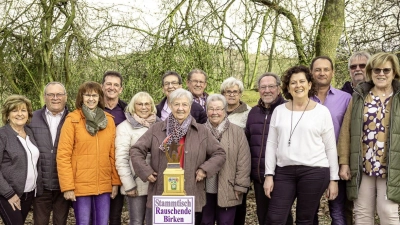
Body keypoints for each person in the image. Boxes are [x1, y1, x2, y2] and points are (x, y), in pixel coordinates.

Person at [131, 88, 226, 225]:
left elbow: (220, 153)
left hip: (189, 193)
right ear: (170, 105)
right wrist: (146, 171)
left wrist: (204, 169)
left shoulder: (201, 131)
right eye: (176, 104)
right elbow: (136, 150)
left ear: (190, 106)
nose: (180, 108)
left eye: (184, 104)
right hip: (162, 193)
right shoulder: (156, 129)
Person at [263, 65, 339, 224]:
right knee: (274, 218)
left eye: (302, 81)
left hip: (315, 171)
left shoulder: (322, 112)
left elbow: (330, 147)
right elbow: (271, 145)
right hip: (284, 171)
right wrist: (269, 175)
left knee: (305, 219)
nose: (298, 86)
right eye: (293, 83)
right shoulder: (279, 111)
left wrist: (334, 180)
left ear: (310, 84)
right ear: (287, 88)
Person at [338, 52, 400, 224]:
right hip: (362, 165)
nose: (381, 74)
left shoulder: (398, 96)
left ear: (394, 72)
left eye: (386, 70)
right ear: (370, 72)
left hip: (391, 166)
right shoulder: (360, 96)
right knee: (362, 213)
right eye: (376, 70)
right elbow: (346, 130)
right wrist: (344, 162)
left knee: (388, 211)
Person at [57, 81, 121, 225]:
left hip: (103, 184)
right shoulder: (72, 120)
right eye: (87, 95)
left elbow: (113, 154)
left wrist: (115, 182)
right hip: (80, 185)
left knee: (102, 223)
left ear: (100, 98)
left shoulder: (109, 121)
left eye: (94, 95)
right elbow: (63, 155)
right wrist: (67, 187)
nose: (91, 98)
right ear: (81, 97)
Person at [245, 72, 293, 225]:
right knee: (263, 217)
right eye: (263, 87)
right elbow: (248, 142)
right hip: (259, 176)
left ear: (279, 89)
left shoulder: (288, 110)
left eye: (271, 86)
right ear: (258, 90)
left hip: (282, 176)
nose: (267, 90)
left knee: (281, 218)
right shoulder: (253, 113)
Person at [310, 56, 351, 225]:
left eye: (326, 69)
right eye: (318, 69)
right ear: (311, 72)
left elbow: (349, 132)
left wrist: (345, 162)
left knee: (337, 209)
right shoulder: (302, 99)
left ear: (333, 72)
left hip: (336, 161)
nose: (322, 73)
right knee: (310, 210)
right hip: (310, 163)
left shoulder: (346, 98)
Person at [200, 94, 250, 225]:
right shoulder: (199, 131)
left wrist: (240, 185)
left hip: (229, 185)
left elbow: (244, 160)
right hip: (204, 186)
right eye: (211, 109)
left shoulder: (237, 132)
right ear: (206, 110)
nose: (215, 112)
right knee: (206, 221)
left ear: (225, 110)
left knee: (226, 222)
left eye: (218, 109)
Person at [115, 92, 160, 225]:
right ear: (133, 107)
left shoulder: (160, 125)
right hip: (137, 183)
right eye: (140, 104)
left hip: (157, 184)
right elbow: (121, 159)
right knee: (137, 221)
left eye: (147, 104)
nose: (144, 107)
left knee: (155, 222)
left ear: (152, 106)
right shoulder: (125, 127)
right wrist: (128, 185)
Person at [28, 82, 70, 225]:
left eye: (59, 94)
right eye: (51, 94)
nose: (55, 98)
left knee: (61, 222)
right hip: (41, 184)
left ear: (66, 97)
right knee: (40, 222)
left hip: (63, 184)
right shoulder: (31, 118)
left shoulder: (74, 119)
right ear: (44, 97)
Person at [0, 95, 42, 225]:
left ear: (28, 114)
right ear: (7, 115)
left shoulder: (29, 132)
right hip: (8, 195)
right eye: (14, 110)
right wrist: (9, 194)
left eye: (23, 110)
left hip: (28, 194)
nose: (19, 114)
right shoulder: (2, 135)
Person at [101, 71, 126, 225]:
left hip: (119, 167)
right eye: (108, 84)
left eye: (116, 85)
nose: (112, 87)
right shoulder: (92, 109)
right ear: (102, 86)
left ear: (121, 89)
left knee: (115, 216)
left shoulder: (127, 111)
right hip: (97, 167)